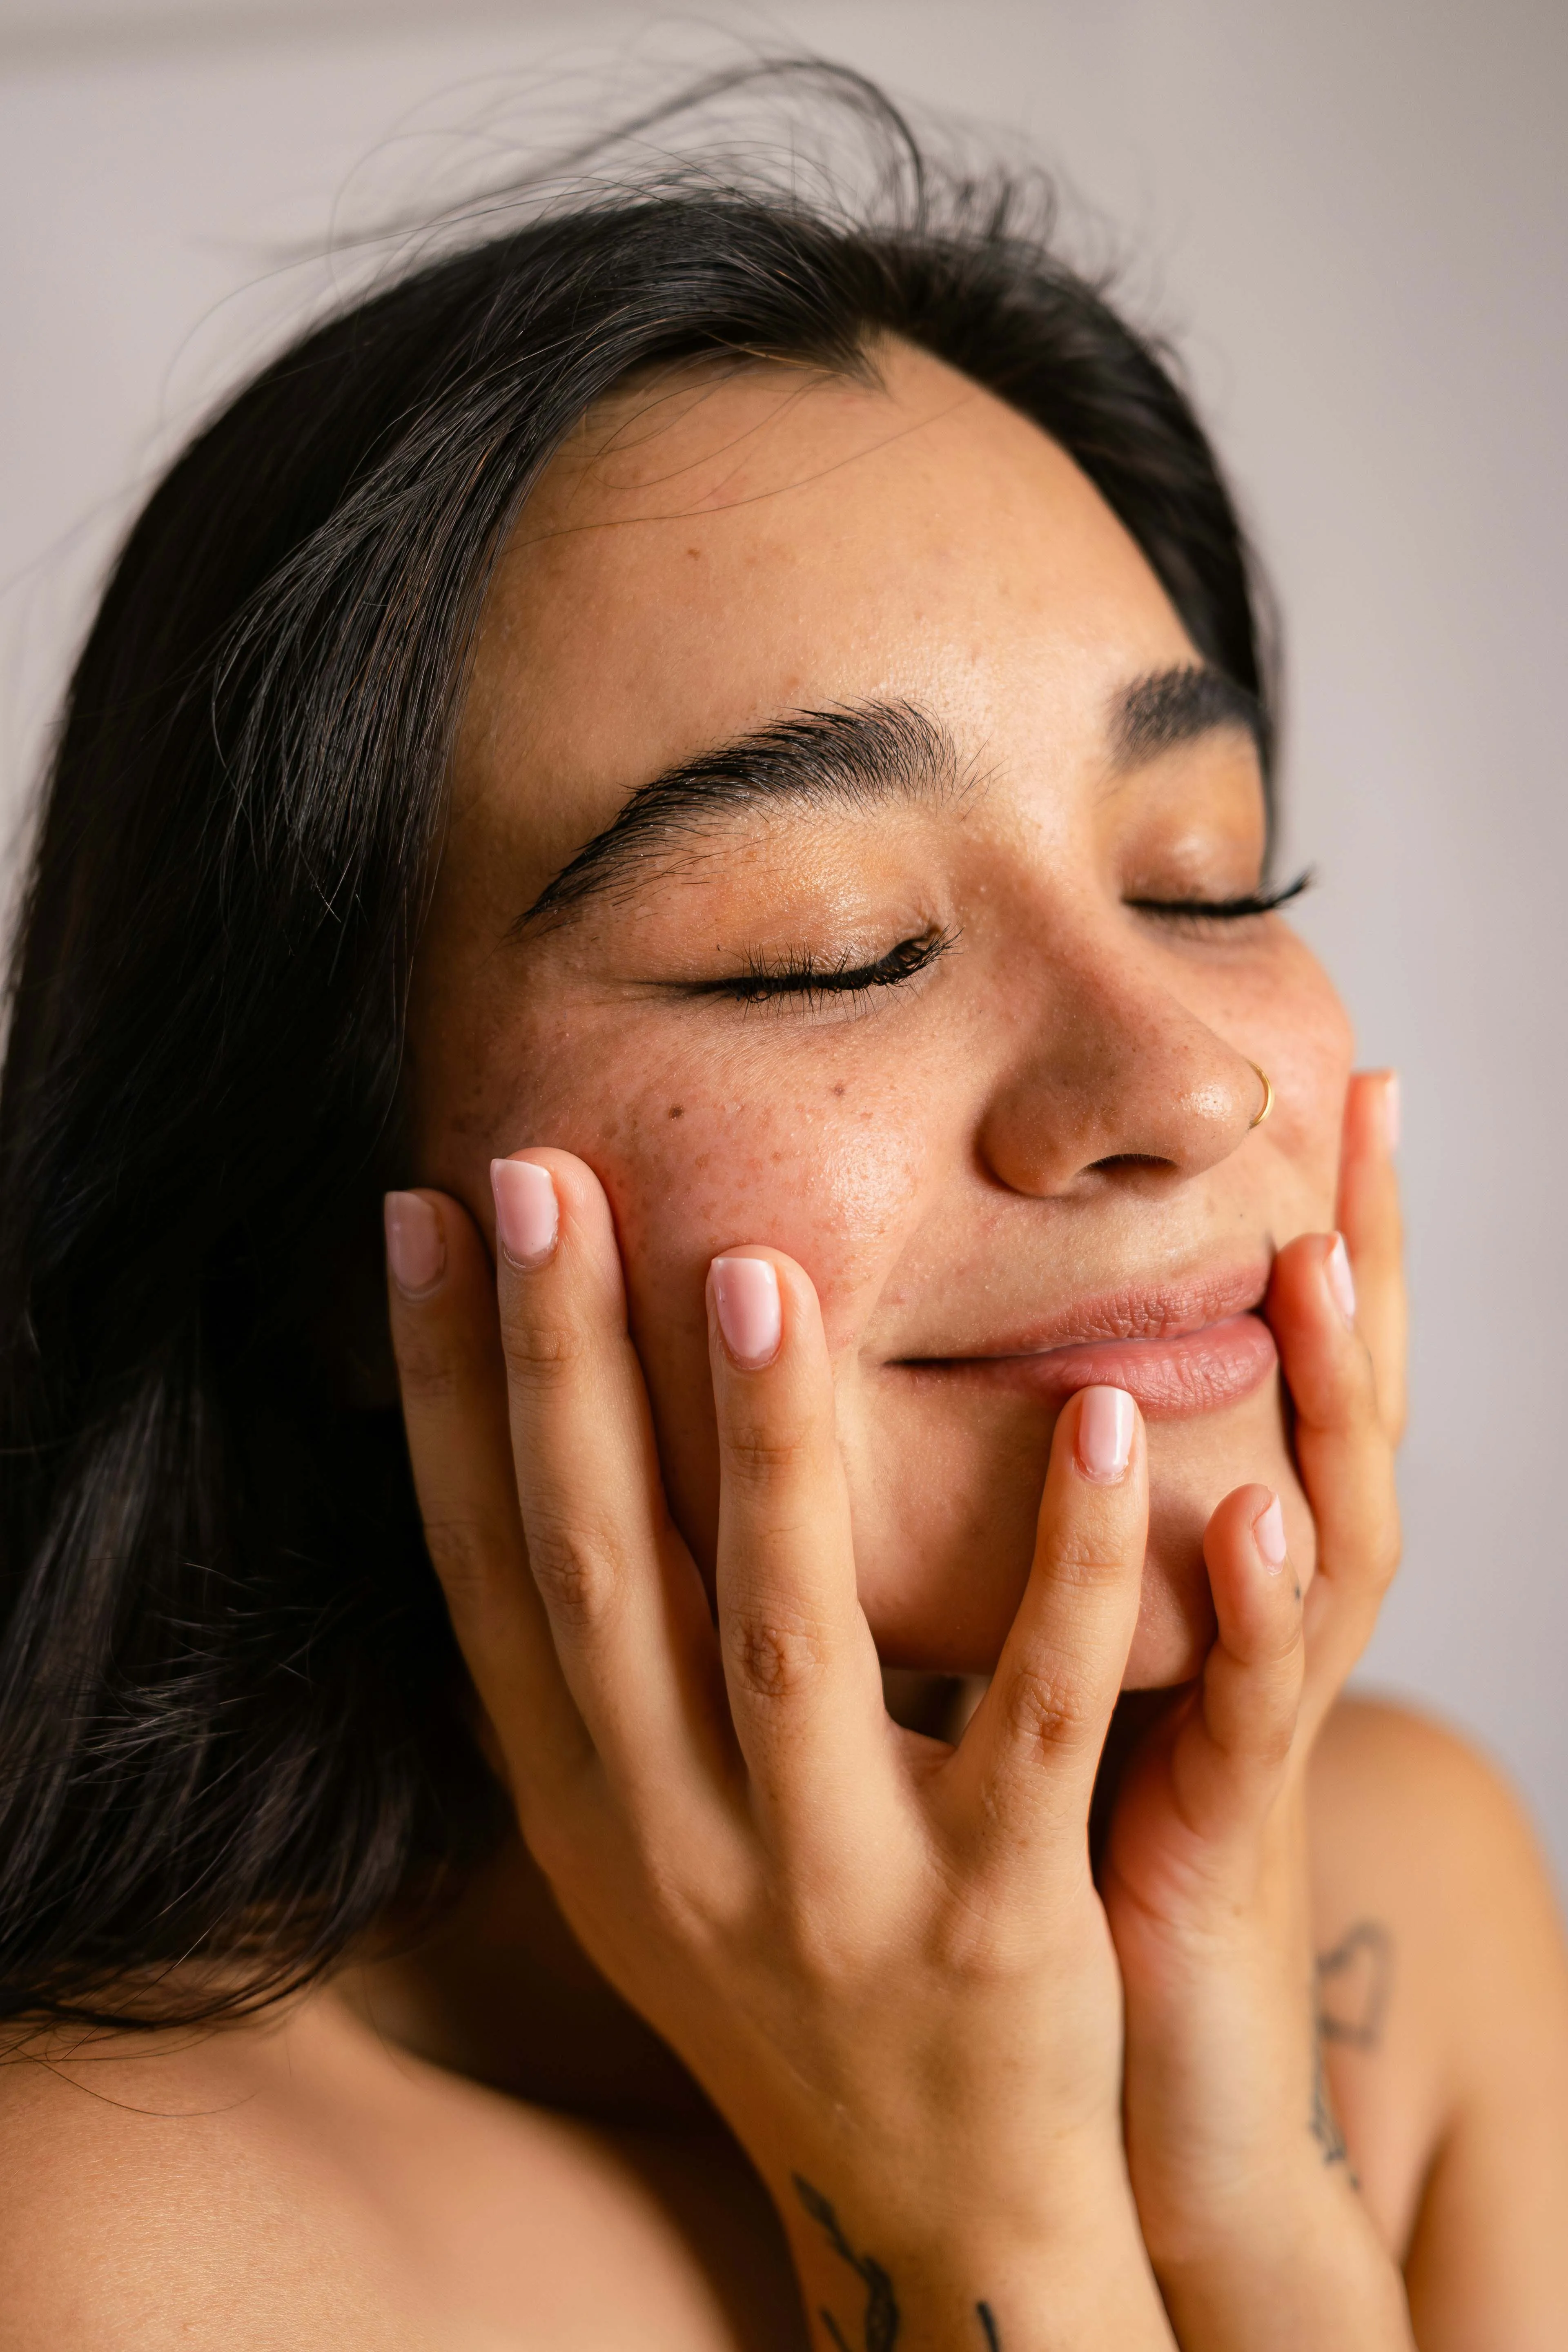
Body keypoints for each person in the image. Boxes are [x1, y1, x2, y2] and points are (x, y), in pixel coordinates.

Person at [0, 64, 1564, 2352]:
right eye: (820, 941)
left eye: (1206, 878)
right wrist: (983, 2235)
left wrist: (1249, 2211)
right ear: (336, 1242)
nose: (1182, 1079)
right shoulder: (113, 2245)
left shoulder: (1396, 1898)